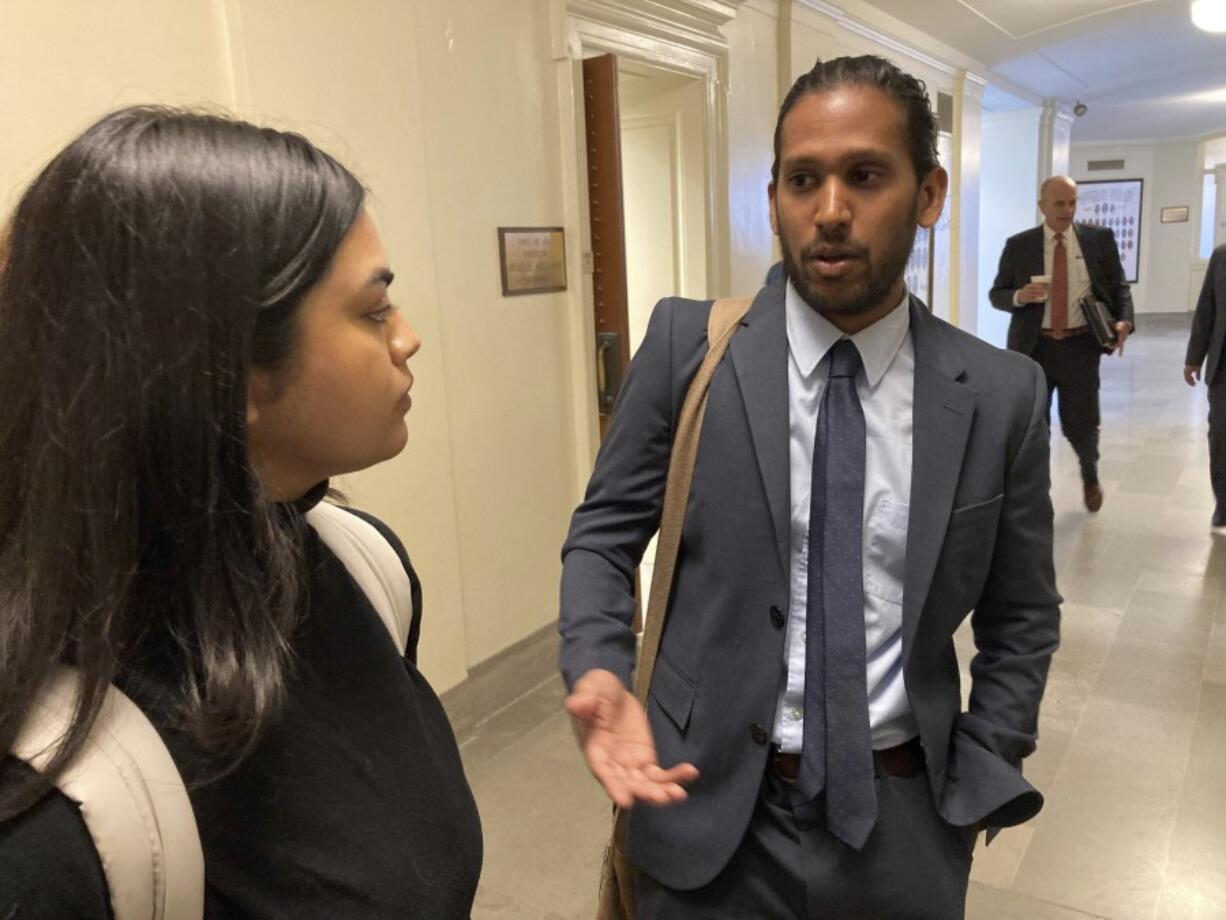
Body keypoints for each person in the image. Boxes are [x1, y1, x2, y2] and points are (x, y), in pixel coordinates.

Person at [559, 55, 1060, 919]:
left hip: (902, 824)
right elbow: (605, 533)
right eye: (804, 180)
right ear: (775, 197)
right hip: (701, 806)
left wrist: (984, 765)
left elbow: (1023, 614)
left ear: (929, 193)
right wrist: (598, 662)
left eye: (866, 176)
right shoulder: (689, 352)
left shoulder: (999, 395)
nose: (831, 212)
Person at [0, 106, 482, 918]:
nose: (407, 340)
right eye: (372, 312)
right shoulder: (46, 827)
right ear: (226, 374)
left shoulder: (366, 568)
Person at [989, 175, 1135, 512]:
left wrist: (1124, 320)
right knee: (1033, 425)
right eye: (1059, 204)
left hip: (1079, 348)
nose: (1067, 210)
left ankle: (1089, 473)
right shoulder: (1019, 245)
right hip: (1032, 350)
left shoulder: (1098, 240)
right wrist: (1018, 296)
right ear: (1042, 206)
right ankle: (1037, 492)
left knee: (1081, 423)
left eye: (1072, 203)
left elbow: (1119, 288)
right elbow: (996, 294)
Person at [1184, 242, 1226, 528]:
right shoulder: (1222, 256)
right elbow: (1206, 309)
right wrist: (1194, 358)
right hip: (1224, 367)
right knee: (1220, 439)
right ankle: (1223, 503)